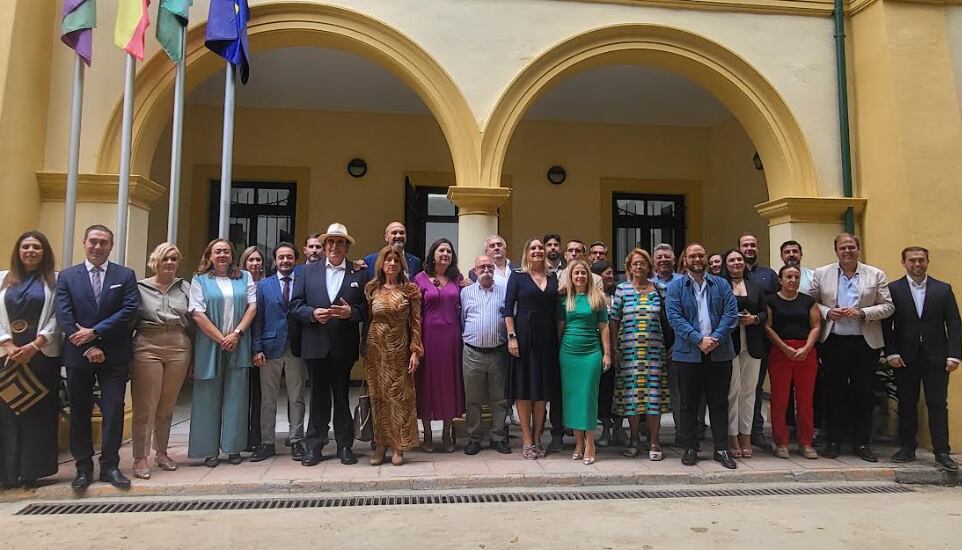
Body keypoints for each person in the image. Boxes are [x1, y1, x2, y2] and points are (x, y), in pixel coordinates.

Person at [56, 225, 139, 490]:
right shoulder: (67, 277)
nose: (98, 247)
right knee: (79, 410)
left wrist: (96, 334)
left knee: (113, 408)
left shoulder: (124, 275)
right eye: (93, 241)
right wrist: (86, 345)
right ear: (84, 242)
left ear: (111, 246)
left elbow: (128, 310)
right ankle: (83, 468)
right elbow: (64, 314)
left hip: (113, 353)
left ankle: (110, 466)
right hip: (78, 353)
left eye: (104, 242)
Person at [810, 233, 894, 462]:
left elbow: (888, 306)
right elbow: (811, 302)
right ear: (835, 250)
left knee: (863, 393)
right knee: (833, 391)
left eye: (851, 247)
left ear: (858, 248)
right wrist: (827, 312)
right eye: (842, 247)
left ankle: (862, 442)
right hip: (834, 341)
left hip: (864, 342)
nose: (847, 251)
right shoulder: (822, 273)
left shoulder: (875, 274)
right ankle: (833, 441)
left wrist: (863, 313)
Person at [290, 223, 367, 466]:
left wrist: (350, 313)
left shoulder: (358, 273)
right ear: (324, 247)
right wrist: (313, 314)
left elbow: (366, 310)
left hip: (343, 346)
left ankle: (345, 445)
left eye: (340, 242)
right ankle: (315, 445)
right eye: (331, 242)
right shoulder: (306, 271)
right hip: (315, 344)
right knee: (318, 398)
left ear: (347, 247)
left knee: (342, 397)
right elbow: (295, 306)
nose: (335, 246)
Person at [882, 246, 960, 471]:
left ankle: (942, 451)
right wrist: (891, 352)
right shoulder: (893, 290)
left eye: (921, 260)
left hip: (937, 357)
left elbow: (954, 323)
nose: (917, 264)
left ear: (928, 261)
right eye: (912, 260)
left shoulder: (943, 290)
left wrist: (954, 355)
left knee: (937, 404)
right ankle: (907, 448)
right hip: (905, 357)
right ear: (903, 262)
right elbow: (887, 325)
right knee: (907, 403)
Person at [666, 243, 739, 469]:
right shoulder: (676, 286)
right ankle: (690, 447)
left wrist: (714, 338)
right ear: (685, 260)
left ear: (705, 258)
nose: (697, 259)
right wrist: (698, 339)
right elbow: (674, 317)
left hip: (719, 353)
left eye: (700, 255)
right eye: (692, 256)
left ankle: (721, 448)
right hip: (688, 354)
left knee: (718, 402)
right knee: (688, 404)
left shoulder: (721, 284)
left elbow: (730, 313)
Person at [187, 239, 257, 468]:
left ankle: (233, 447)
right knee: (208, 396)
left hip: (238, 343)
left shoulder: (244, 277)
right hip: (211, 345)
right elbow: (197, 313)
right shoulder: (199, 280)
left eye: (227, 251)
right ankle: (209, 451)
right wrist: (221, 338)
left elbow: (252, 307)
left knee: (236, 397)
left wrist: (236, 334)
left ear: (232, 255)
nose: (223, 255)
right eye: (218, 251)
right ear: (209, 255)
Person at [0, 231, 61, 489]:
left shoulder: (55, 281)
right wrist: (8, 343)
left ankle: (32, 472)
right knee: (6, 413)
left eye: (37, 247)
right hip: (7, 356)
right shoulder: (2, 278)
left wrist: (36, 344)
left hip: (41, 356)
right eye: (26, 246)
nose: (31, 251)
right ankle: (6, 474)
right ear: (18, 251)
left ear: (44, 252)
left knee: (37, 413)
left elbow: (59, 316)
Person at [130, 243, 192, 480]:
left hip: (178, 343)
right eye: (165, 258)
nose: (170, 263)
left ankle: (162, 452)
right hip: (148, 343)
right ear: (155, 261)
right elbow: (130, 318)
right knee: (146, 404)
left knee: (167, 404)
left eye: (174, 259)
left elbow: (194, 318)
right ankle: (140, 457)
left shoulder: (184, 287)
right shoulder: (140, 287)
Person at [609, 249, 671, 461]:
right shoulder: (622, 290)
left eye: (642, 263)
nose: (638, 267)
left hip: (654, 351)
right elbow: (614, 319)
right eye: (634, 264)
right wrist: (615, 348)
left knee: (653, 396)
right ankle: (634, 438)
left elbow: (669, 318)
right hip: (629, 352)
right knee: (632, 397)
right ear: (629, 267)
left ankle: (654, 440)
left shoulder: (660, 289)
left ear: (649, 266)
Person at [364, 246, 423, 466]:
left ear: (401, 265)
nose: (392, 263)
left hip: (399, 349)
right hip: (375, 350)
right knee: (378, 398)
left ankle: (399, 446)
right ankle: (380, 444)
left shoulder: (410, 290)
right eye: (388, 260)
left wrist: (416, 351)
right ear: (381, 263)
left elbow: (416, 322)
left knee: (400, 399)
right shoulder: (372, 289)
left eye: (396, 260)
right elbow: (369, 319)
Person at [250, 242, 308, 462]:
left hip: (297, 347)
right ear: (275, 260)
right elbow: (258, 320)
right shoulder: (264, 286)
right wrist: (257, 348)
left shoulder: (303, 282)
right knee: (268, 399)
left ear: (295, 259)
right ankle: (267, 443)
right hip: (270, 347)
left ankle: (296, 441)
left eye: (290, 257)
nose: (285, 261)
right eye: (281, 257)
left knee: (297, 397)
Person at [504, 237, 560, 460]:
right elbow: (508, 308)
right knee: (524, 391)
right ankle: (527, 439)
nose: (537, 251)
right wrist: (512, 337)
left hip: (547, 340)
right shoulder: (517, 276)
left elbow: (558, 310)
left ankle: (538, 438)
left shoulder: (553, 277)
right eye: (533, 248)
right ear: (526, 253)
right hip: (524, 338)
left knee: (542, 393)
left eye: (540, 248)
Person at [414, 238, 465, 453]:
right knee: (427, 384)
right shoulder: (420, 278)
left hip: (451, 338)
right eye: (441, 250)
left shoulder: (458, 278)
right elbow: (414, 312)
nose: (445, 254)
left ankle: (446, 433)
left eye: (449, 251)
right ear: (433, 254)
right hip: (428, 337)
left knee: (448, 384)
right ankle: (426, 434)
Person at [558, 259, 611, 465]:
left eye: (583, 273)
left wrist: (607, 354)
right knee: (572, 398)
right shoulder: (565, 300)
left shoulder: (597, 298)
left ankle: (590, 443)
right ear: (570, 277)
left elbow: (604, 327)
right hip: (569, 353)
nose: (579, 276)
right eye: (576, 273)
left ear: (589, 276)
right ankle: (578, 443)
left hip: (591, 352)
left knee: (588, 397)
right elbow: (560, 329)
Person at [765, 265, 821, 459]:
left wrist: (806, 348)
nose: (793, 280)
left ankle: (806, 442)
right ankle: (782, 442)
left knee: (805, 400)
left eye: (796, 277)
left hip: (806, 352)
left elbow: (816, 326)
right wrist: (785, 348)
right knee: (780, 400)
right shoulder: (770, 301)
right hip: (781, 352)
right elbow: (768, 327)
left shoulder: (808, 301)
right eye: (788, 277)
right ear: (780, 280)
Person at [460, 255, 511, 455]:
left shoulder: (505, 292)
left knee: (500, 399)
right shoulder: (465, 293)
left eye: (490, 267)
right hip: (473, 352)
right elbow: (462, 319)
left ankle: (498, 437)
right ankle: (474, 438)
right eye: (482, 267)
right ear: (475, 270)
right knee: (473, 399)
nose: (487, 270)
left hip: (498, 352)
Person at [720, 249, 767, 458]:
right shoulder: (720, 286)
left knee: (749, 393)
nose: (736, 263)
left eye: (739, 259)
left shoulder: (756, 286)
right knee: (732, 392)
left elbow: (765, 312)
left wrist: (754, 319)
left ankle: (746, 435)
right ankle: (732, 436)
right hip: (730, 345)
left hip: (753, 344)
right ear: (726, 264)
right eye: (732, 260)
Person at [738, 233, 779, 450]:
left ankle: (755, 430)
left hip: (760, 339)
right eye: (745, 245)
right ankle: (734, 432)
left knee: (754, 388)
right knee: (735, 388)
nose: (749, 248)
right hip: (736, 340)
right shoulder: (732, 276)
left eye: (753, 244)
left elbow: (772, 305)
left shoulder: (769, 275)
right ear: (739, 248)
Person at [591, 259, 621, 447]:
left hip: (620, 348)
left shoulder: (620, 294)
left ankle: (619, 428)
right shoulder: (592, 297)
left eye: (611, 273)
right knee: (603, 391)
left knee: (618, 390)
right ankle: (605, 429)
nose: (610, 276)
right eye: (606, 273)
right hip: (598, 349)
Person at [239, 245, 265, 453]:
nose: (255, 264)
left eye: (258, 260)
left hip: (258, 345)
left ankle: (255, 435)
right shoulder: (237, 285)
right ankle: (237, 434)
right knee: (240, 393)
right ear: (244, 263)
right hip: (239, 342)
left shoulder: (266, 285)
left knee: (258, 393)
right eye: (251, 260)